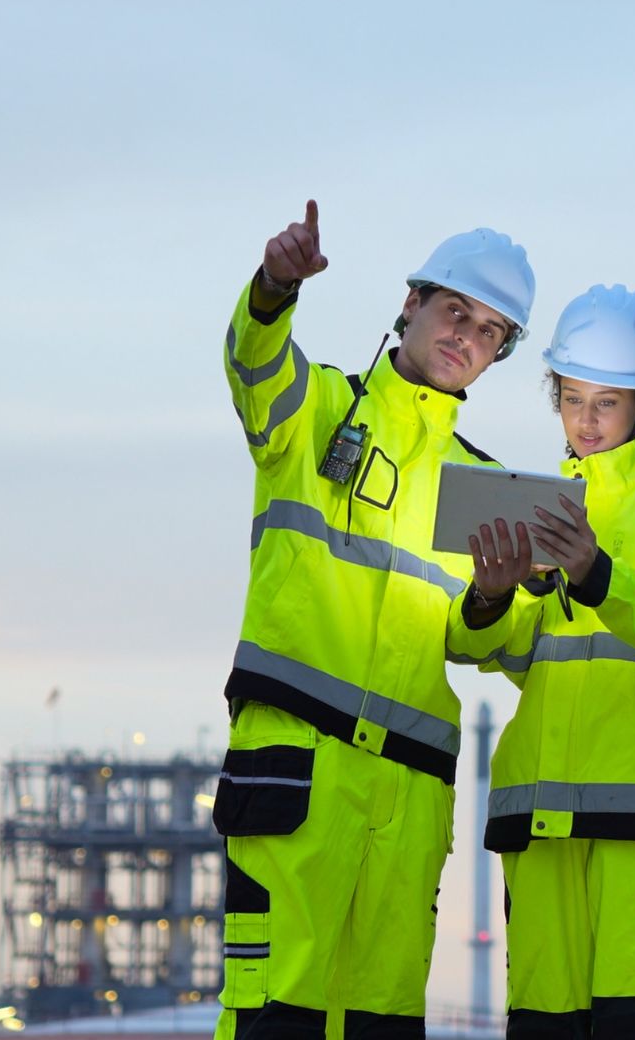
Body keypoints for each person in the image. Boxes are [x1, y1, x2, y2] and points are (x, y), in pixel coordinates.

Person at [215, 200, 535, 1038]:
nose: (467, 337)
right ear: (411, 303)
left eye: (490, 331)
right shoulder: (318, 408)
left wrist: (494, 596)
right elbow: (254, 365)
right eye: (455, 311)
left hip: (408, 794)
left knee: (382, 1025)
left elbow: (477, 639)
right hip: (300, 770)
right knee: (272, 1015)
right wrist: (275, 287)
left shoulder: (485, 488)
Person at [448, 285, 635, 1039]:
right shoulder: (540, 507)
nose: (584, 420)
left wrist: (597, 574)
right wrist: (490, 595)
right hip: (541, 827)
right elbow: (501, 648)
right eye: (571, 399)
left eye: (605, 402)